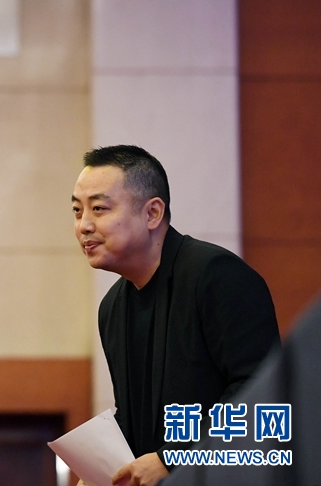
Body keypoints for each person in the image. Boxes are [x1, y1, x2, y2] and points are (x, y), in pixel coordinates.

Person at [71, 145, 279, 486]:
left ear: (152, 213)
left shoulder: (216, 275)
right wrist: (102, 472)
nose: (84, 226)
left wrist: (174, 458)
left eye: (98, 208)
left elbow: (262, 391)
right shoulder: (112, 308)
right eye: (77, 211)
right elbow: (136, 418)